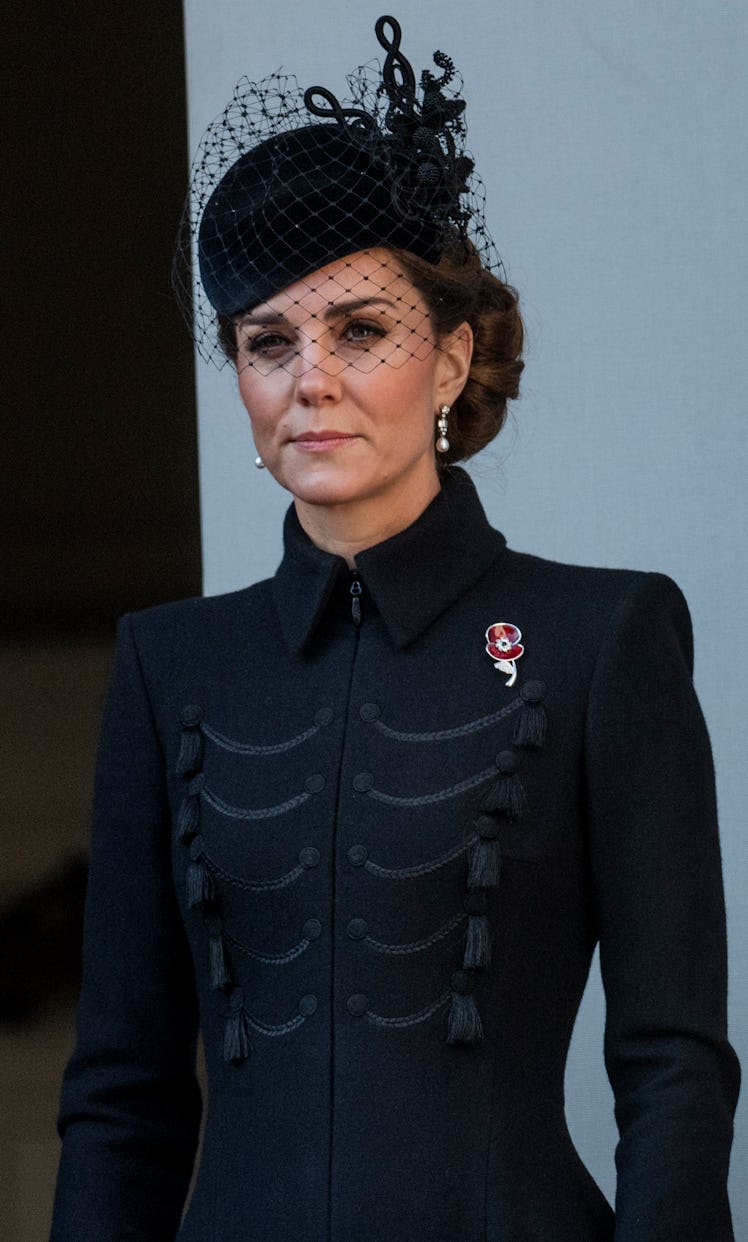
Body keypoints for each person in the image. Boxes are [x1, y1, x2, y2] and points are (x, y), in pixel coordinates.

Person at [51, 15, 740, 1241]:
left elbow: (674, 1066)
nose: (309, 377)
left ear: (449, 356)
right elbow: (121, 1097)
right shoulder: (170, 666)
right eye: (269, 342)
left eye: (360, 330)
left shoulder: (603, 636)